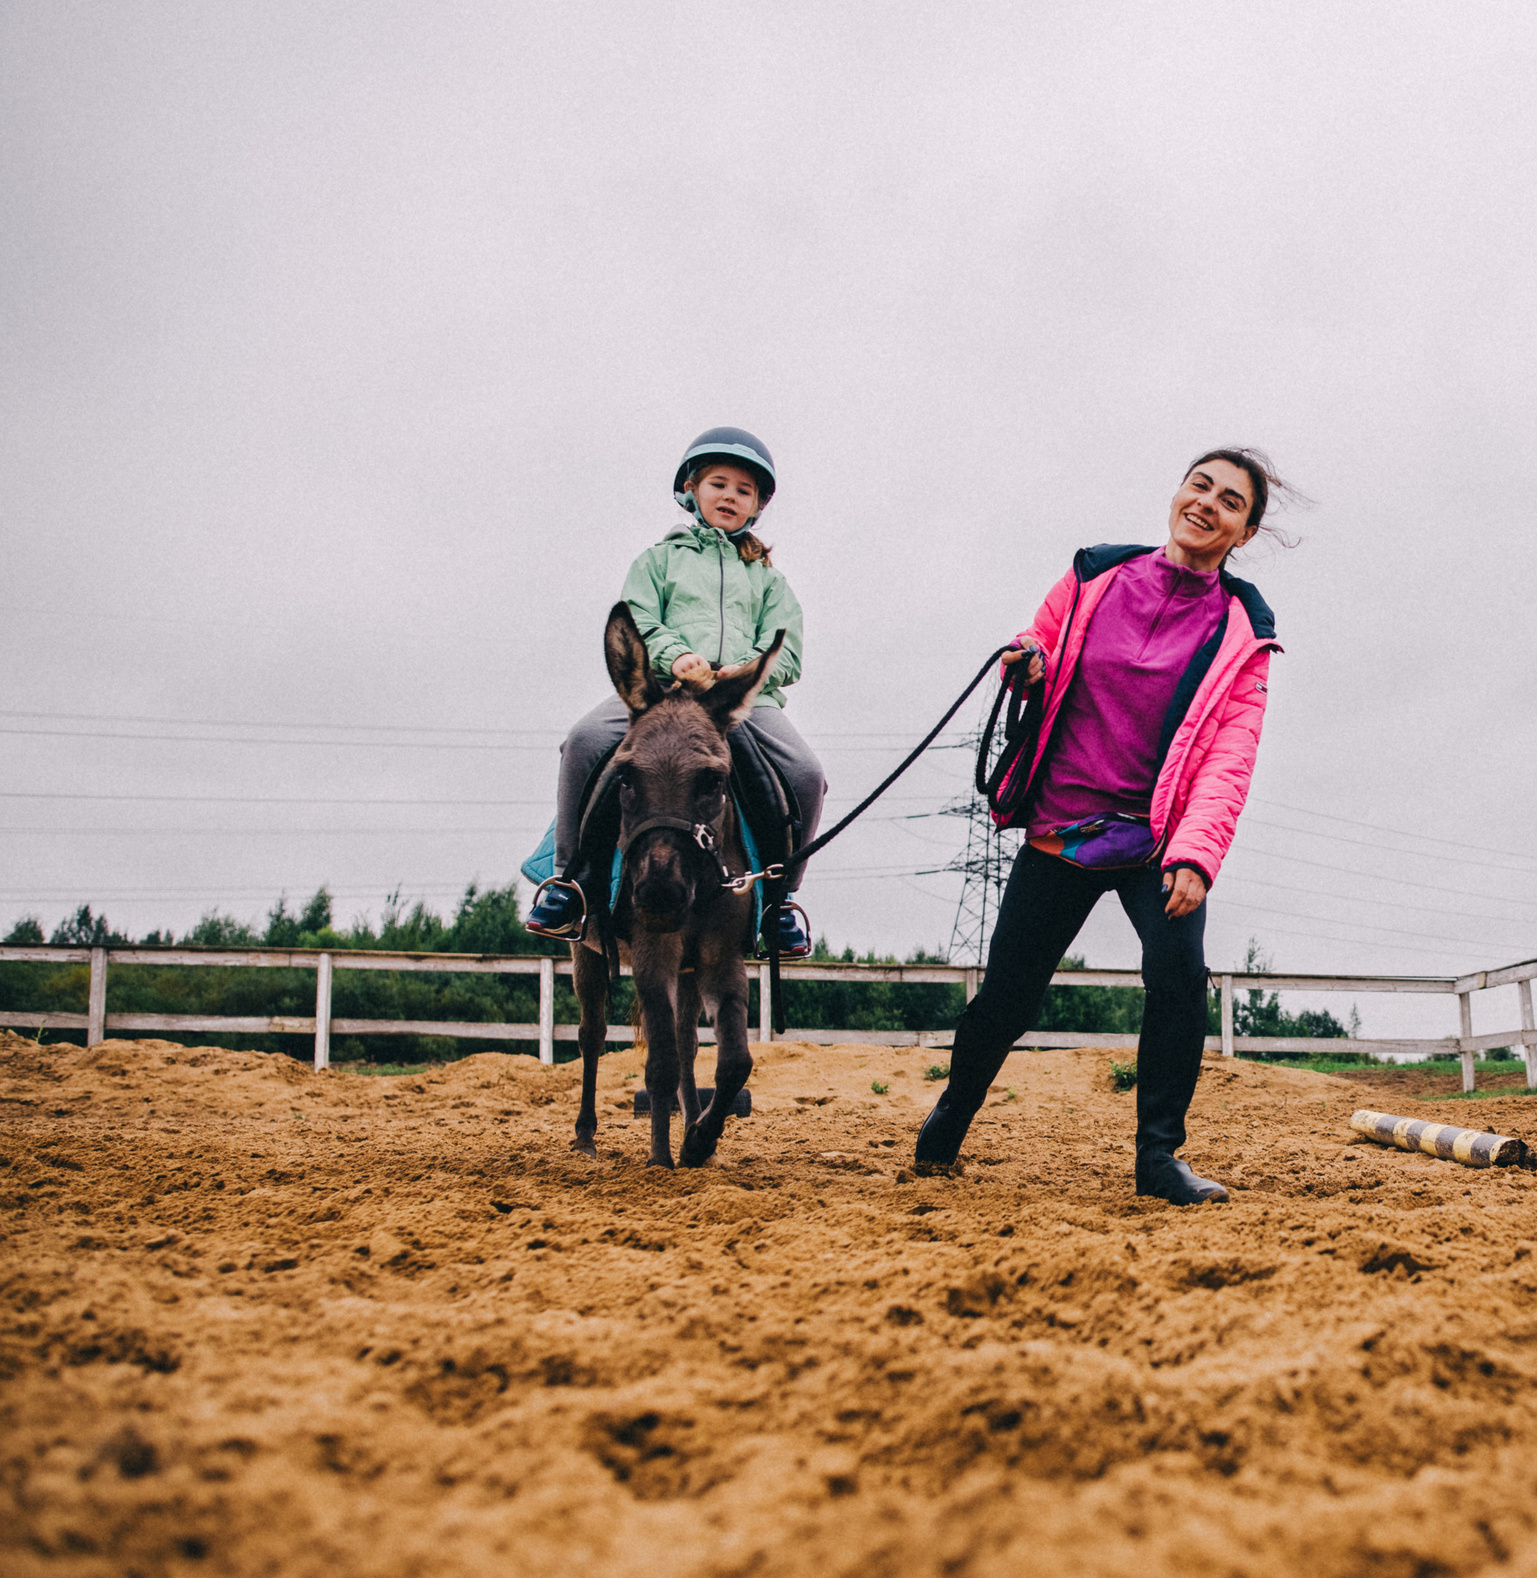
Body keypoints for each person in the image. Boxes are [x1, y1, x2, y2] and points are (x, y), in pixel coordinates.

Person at [914, 448, 1288, 1204]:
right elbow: (1040, 642)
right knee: (1010, 997)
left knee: (1180, 976)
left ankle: (1158, 1157)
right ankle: (955, 1109)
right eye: (1200, 486)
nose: (1208, 504)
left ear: (1244, 533)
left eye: (1231, 502)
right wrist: (1027, 662)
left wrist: (1197, 853)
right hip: (1063, 826)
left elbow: (1228, 756)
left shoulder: (1245, 629)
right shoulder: (1095, 574)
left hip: (1158, 840)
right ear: (1178, 492)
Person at [525, 427, 828, 957]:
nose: (730, 496)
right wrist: (674, 656)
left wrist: (741, 671)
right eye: (719, 483)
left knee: (807, 774)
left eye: (744, 490)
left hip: (741, 705)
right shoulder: (657, 562)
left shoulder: (770, 582)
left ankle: (781, 902)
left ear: (757, 506)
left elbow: (789, 653)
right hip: (659, 698)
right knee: (582, 740)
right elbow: (638, 617)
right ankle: (568, 881)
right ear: (691, 489)